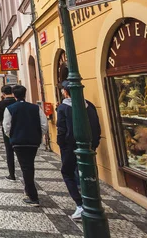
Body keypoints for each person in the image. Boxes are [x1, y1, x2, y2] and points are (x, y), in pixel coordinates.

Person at [57, 80, 102, 220]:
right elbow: (97, 125)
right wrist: (95, 142)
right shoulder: (90, 105)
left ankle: (80, 204)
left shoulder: (63, 108)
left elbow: (61, 130)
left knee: (67, 172)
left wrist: (62, 145)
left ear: (65, 91)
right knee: (89, 171)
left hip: (70, 147)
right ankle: (93, 201)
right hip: (89, 145)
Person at [3, 85, 48, 207]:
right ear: (25, 94)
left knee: (26, 167)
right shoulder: (36, 108)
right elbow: (44, 125)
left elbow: (6, 126)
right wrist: (37, 135)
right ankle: (28, 191)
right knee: (29, 166)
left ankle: (33, 197)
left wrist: (12, 137)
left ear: (14, 95)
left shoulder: (10, 108)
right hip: (33, 142)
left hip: (18, 142)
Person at [0, 85, 18, 181]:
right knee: (20, 152)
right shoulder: (16, 101)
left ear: (3, 93)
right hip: (19, 128)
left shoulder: (2, 103)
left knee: (9, 152)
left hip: (7, 130)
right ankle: (26, 173)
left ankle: (12, 174)